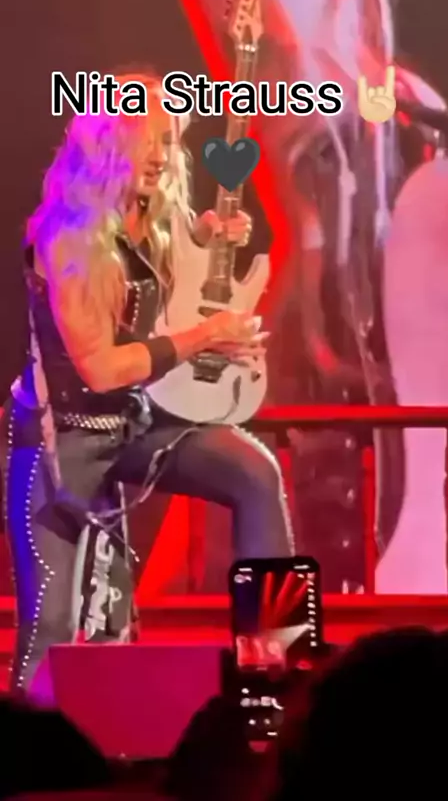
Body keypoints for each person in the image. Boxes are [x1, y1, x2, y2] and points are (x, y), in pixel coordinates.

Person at [3, 72, 294, 694]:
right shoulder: (69, 236)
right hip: (60, 443)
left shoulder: (156, 220)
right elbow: (101, 367)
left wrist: (208, 239)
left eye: (168, 140)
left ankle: (273, 663)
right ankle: (30, 744)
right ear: (107, 147)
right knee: (50, 631)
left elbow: (173, 296)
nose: (161, 156)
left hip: (135, 425)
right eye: (146, 141)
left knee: (255, 471)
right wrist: (205, 336)